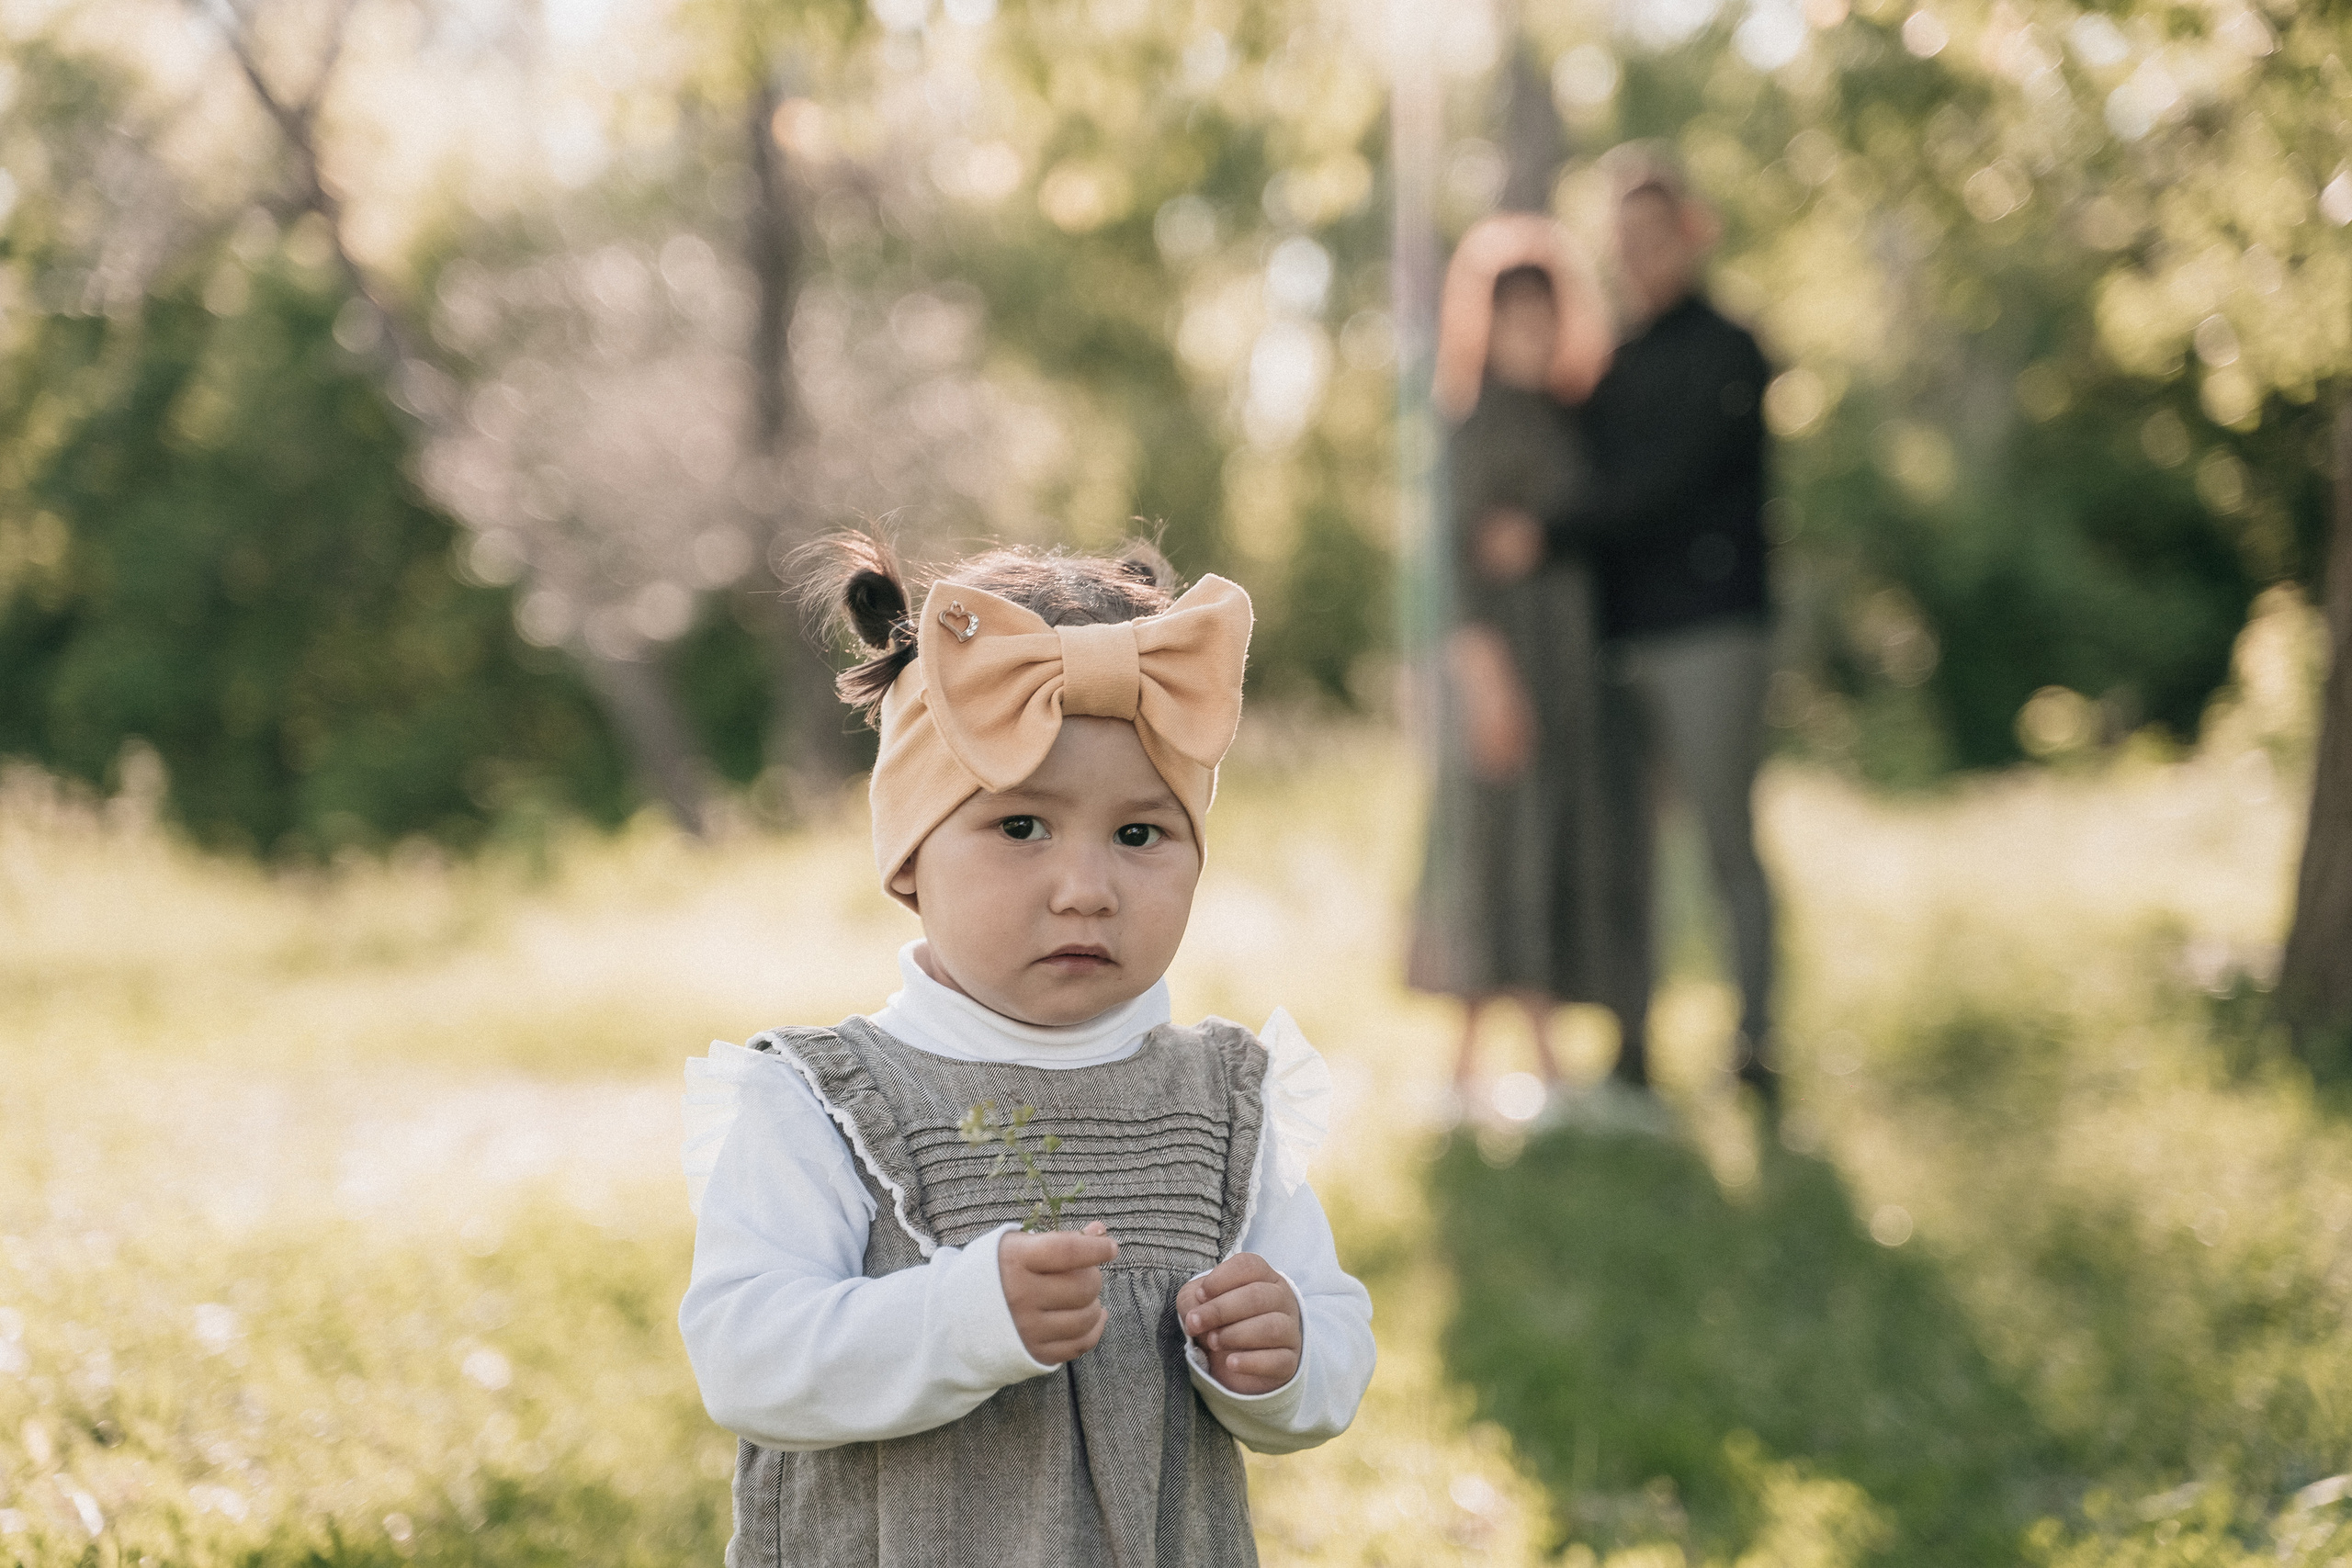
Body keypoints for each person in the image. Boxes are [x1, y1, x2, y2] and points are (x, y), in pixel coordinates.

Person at [677, 536, 1376, 1566]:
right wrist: (961, 1316)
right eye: (1020, 827)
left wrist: (1285, 1358)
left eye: (1140, 836)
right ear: (911, 858)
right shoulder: (822, 1101)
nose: (1085, 886)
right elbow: (745, 1357)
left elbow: (1329, 1332)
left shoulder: (1224, 1104)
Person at [1490, 145, 1779, 1102]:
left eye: (1655, 236)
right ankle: (1632, 1044)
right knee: (1627, 852)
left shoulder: (1730, 352)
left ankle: (1756, 1044)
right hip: (1616, 643)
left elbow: (1664, 485)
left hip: (1710, 632)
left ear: (1692, 232)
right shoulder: (1609, 367)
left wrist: (1547, 527)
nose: (1640, 256)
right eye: (1624, 242)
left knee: (1724, 840)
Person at [1408, 213, 1622, 1118]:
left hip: (1566, 666)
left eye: (1542, 314)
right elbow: (1453, 570)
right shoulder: (1470, 420)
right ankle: (1474, 1072)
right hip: (1497, 666)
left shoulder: (1570, 417)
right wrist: (1487, 680)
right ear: (1484, 323)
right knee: (1489, 846)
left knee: (1542, 843)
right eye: (1511, 316)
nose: (1527, 333)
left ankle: (1528, 1063)